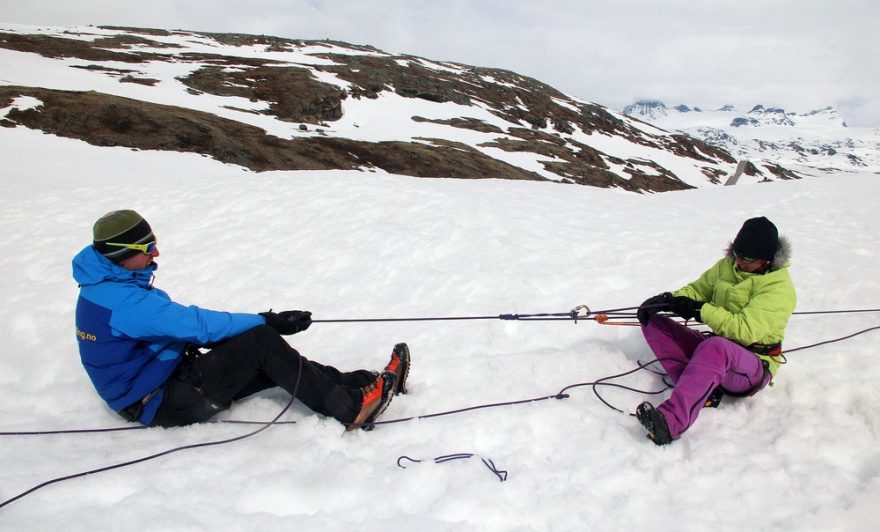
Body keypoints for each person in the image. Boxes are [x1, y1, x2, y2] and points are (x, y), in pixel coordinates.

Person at [73, 209, 410, 431]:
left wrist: (260, 326)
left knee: (267, 355)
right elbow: (197, 327)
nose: (155, 253)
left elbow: (185, 328)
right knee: (260, 343)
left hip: (163, 386)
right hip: (161, 403)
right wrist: (268, 322)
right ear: (120, 253)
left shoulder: (107, 286)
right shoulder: (124, 302)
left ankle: (361, 383)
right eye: (147, 246)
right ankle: (351, 409)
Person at [634, 216, 796, 445]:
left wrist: (701, 310)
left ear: (767, 260)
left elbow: (744, 330)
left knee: (715, 347)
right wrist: (668, 301)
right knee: (654, 323)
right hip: (716, 350)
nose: (740, 262)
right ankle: (702, 386)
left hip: (753, 366)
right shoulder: (727, 266)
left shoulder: (779, 289)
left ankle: (670, 423)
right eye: (738, 255)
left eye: (748, 259)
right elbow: (698, 290)